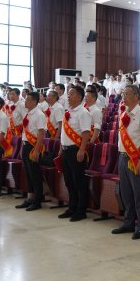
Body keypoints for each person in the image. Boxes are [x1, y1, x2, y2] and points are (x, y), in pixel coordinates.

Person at [111, 85, 140, 238]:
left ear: (136, 96)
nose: (124, 96)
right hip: (122, 156)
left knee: (138, 193)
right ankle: (128, 222)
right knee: (126, 193)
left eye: (127, 94)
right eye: (123, 93)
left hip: (135, 158)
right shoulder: (123, 113)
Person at [58, 85, 91, 221]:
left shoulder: (83, 112)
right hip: (66, 150)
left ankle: (81, 210)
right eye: (68, 93)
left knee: (79, 182)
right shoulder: (68, 111)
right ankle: (72, 207)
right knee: (69, 181)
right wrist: (61, 149)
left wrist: (82, 150)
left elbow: (86, 133)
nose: (68, 96)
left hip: (75, 150)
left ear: (79, 96)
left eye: (71, 93)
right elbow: (64, 133)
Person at [15, 92, 46, 211]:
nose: (25, 102)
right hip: (26, 145)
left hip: (33, 147)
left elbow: (41, 133)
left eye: (28, 100)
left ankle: (37, 200)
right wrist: (22, 147)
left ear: (34, 101)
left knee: (35, 174)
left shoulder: (39, 114)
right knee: (28, 174)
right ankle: (29, 198)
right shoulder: (27, 114)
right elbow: (25, 132)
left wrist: (37, 150)